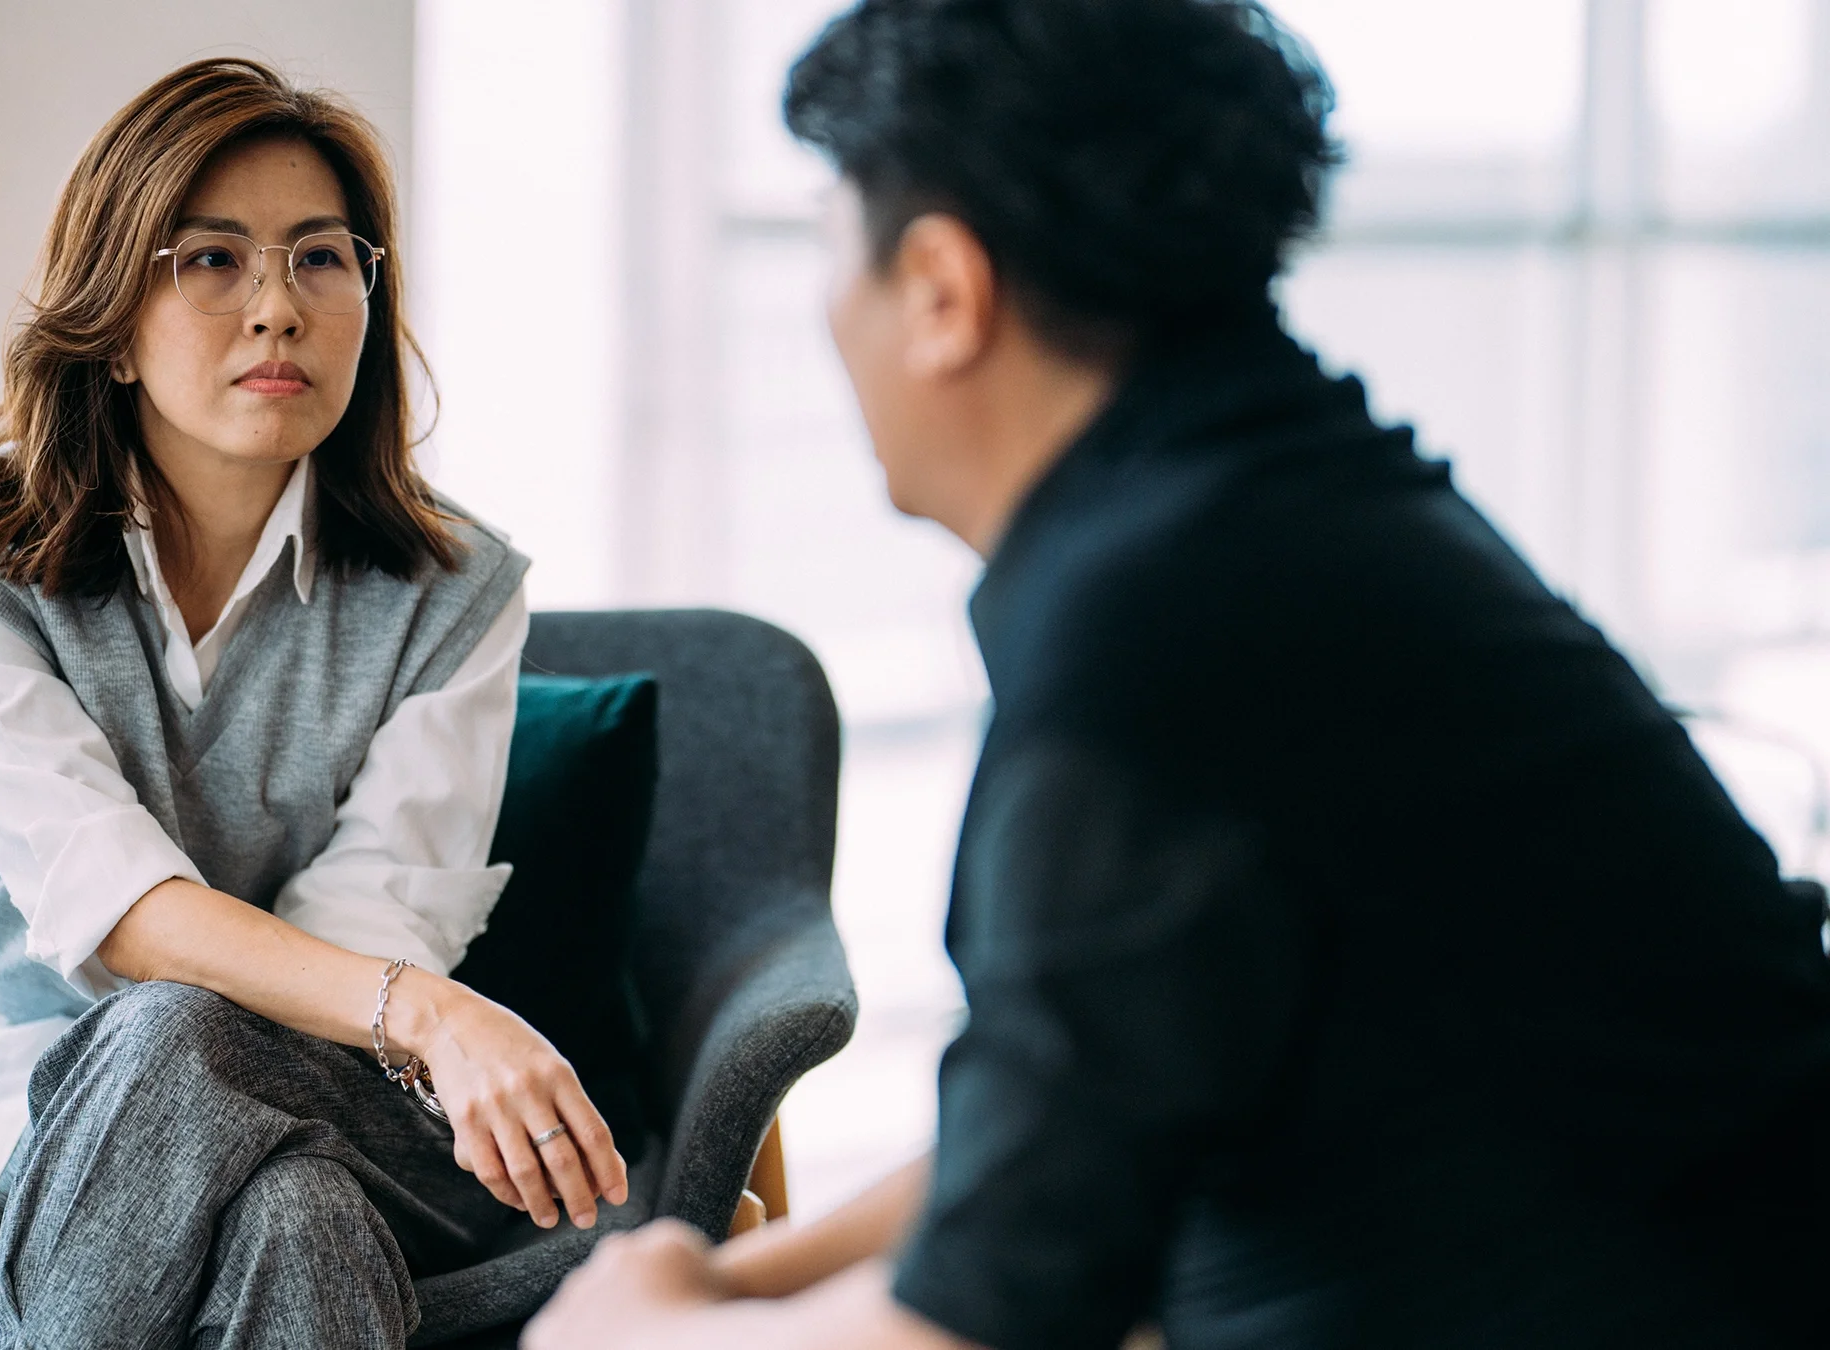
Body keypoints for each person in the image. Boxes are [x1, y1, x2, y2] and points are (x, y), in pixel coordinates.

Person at [527, 2, 1830, 1347]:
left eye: (828, 254)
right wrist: (740, 1282)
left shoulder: (1147, 651)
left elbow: (980, 1325)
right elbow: (1064, 1133)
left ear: (941, 294)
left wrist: (632, 1332)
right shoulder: (1284, 505)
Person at [0, 58, 628, 1349]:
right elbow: (115, 908)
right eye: (210, 259)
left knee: (194, 1047)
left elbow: (378, 907)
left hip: (349, 1093)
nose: (278, 307)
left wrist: (401, 1009)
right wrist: (441, 1015)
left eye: (321, 258)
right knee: (292, 1212)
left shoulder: (459, 585)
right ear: (108, 316)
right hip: (41, 1109)